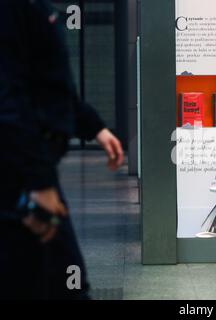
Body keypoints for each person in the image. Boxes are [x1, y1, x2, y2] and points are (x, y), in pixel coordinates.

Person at [0, 0, 124, 299]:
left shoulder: (35, 8)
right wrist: (39, 182)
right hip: (18, 177)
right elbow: (8, 99)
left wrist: (93, 126)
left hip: (30, 174)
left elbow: (49, 86)